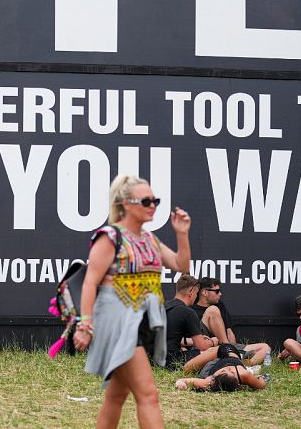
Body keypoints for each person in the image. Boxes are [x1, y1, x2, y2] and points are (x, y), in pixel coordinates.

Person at [73, 174, 191, 429]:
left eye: (155, 200)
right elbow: (90, 283)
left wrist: (182, 234)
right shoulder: (110, 237)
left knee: (117, 395)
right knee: (148, 394)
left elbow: (182, 265)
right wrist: (85, 325)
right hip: (117, 324)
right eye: (146, 201)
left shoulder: (150, 239)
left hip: (142, 323)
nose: (153, 206)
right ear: (126, 203)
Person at [165, 276, 269, 369]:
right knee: (214, 349)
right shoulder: (188, 311)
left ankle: (239, 361)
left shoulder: (165, 307)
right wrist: (213, 342)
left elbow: (171, 337)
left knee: (265, 347)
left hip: (161, 358)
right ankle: (231, 356)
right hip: (191, 353)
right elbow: (201, 346)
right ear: (193, 292)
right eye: (217, 291)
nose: (220, 294)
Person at [174, 344, 269, 392]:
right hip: (228, 352)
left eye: (228, 370)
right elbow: (262, 384)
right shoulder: (243, 374)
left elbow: (184, 380)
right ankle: (247, 363)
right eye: (231, 370)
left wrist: (181, 384)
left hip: (214, 361)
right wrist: (258, 377)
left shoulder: (209, 381)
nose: (229, 368)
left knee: (187, 369)